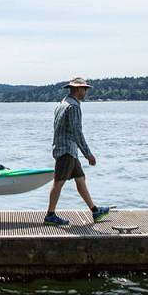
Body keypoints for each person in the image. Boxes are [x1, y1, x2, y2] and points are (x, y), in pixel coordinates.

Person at [45, 77, 112, 226]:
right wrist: (88, 154)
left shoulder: (62, 104)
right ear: (77, 89)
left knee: (80, 178)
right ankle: (50, 215)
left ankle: (95, 211)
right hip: (67, 151)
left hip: (67, 149)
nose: (86, 92)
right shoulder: (73, 106)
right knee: (58, 183)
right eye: (84, 89)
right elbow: (77, 132)